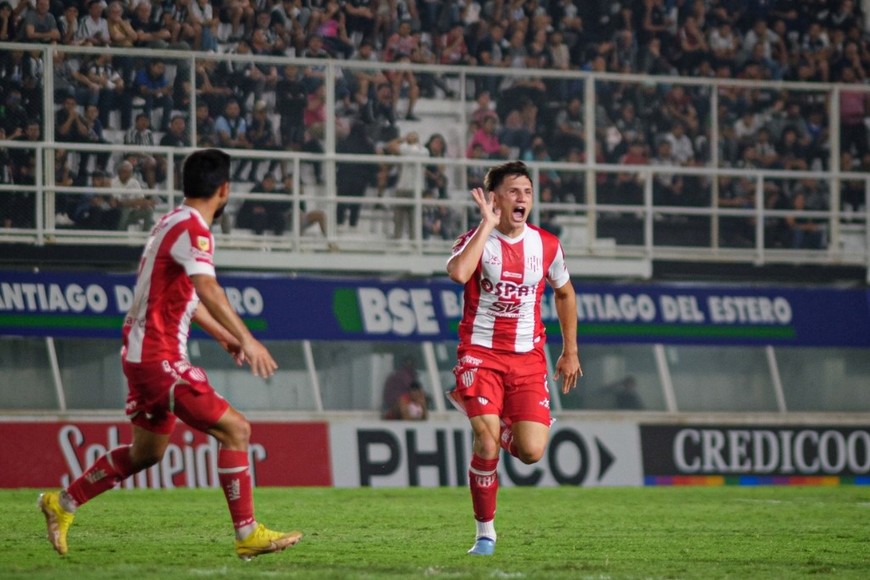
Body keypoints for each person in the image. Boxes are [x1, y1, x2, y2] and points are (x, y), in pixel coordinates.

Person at [38, 148, 302, 560]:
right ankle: (247, 533)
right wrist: (247, 338)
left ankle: (63, 503)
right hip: (159, 355)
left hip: (142, 354)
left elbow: (184, 295)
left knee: (147, 453)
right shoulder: (195, 228)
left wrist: (219, 334)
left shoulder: (171, 222)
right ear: (225, 190)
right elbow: (208, 288)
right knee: (236, 429)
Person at [446, 160, 581, 556]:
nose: (522, 198)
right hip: (480, 355)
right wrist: (486, 224)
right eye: (513, 192)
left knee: (531, 452)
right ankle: (485, 534)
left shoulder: (548, 245)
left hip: (528, 359)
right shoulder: (475, 240)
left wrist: (569, 351)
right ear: (495, 199)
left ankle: (486, 412)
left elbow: (565, 293)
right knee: (486, 443)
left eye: (527, 191)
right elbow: (458, 273)